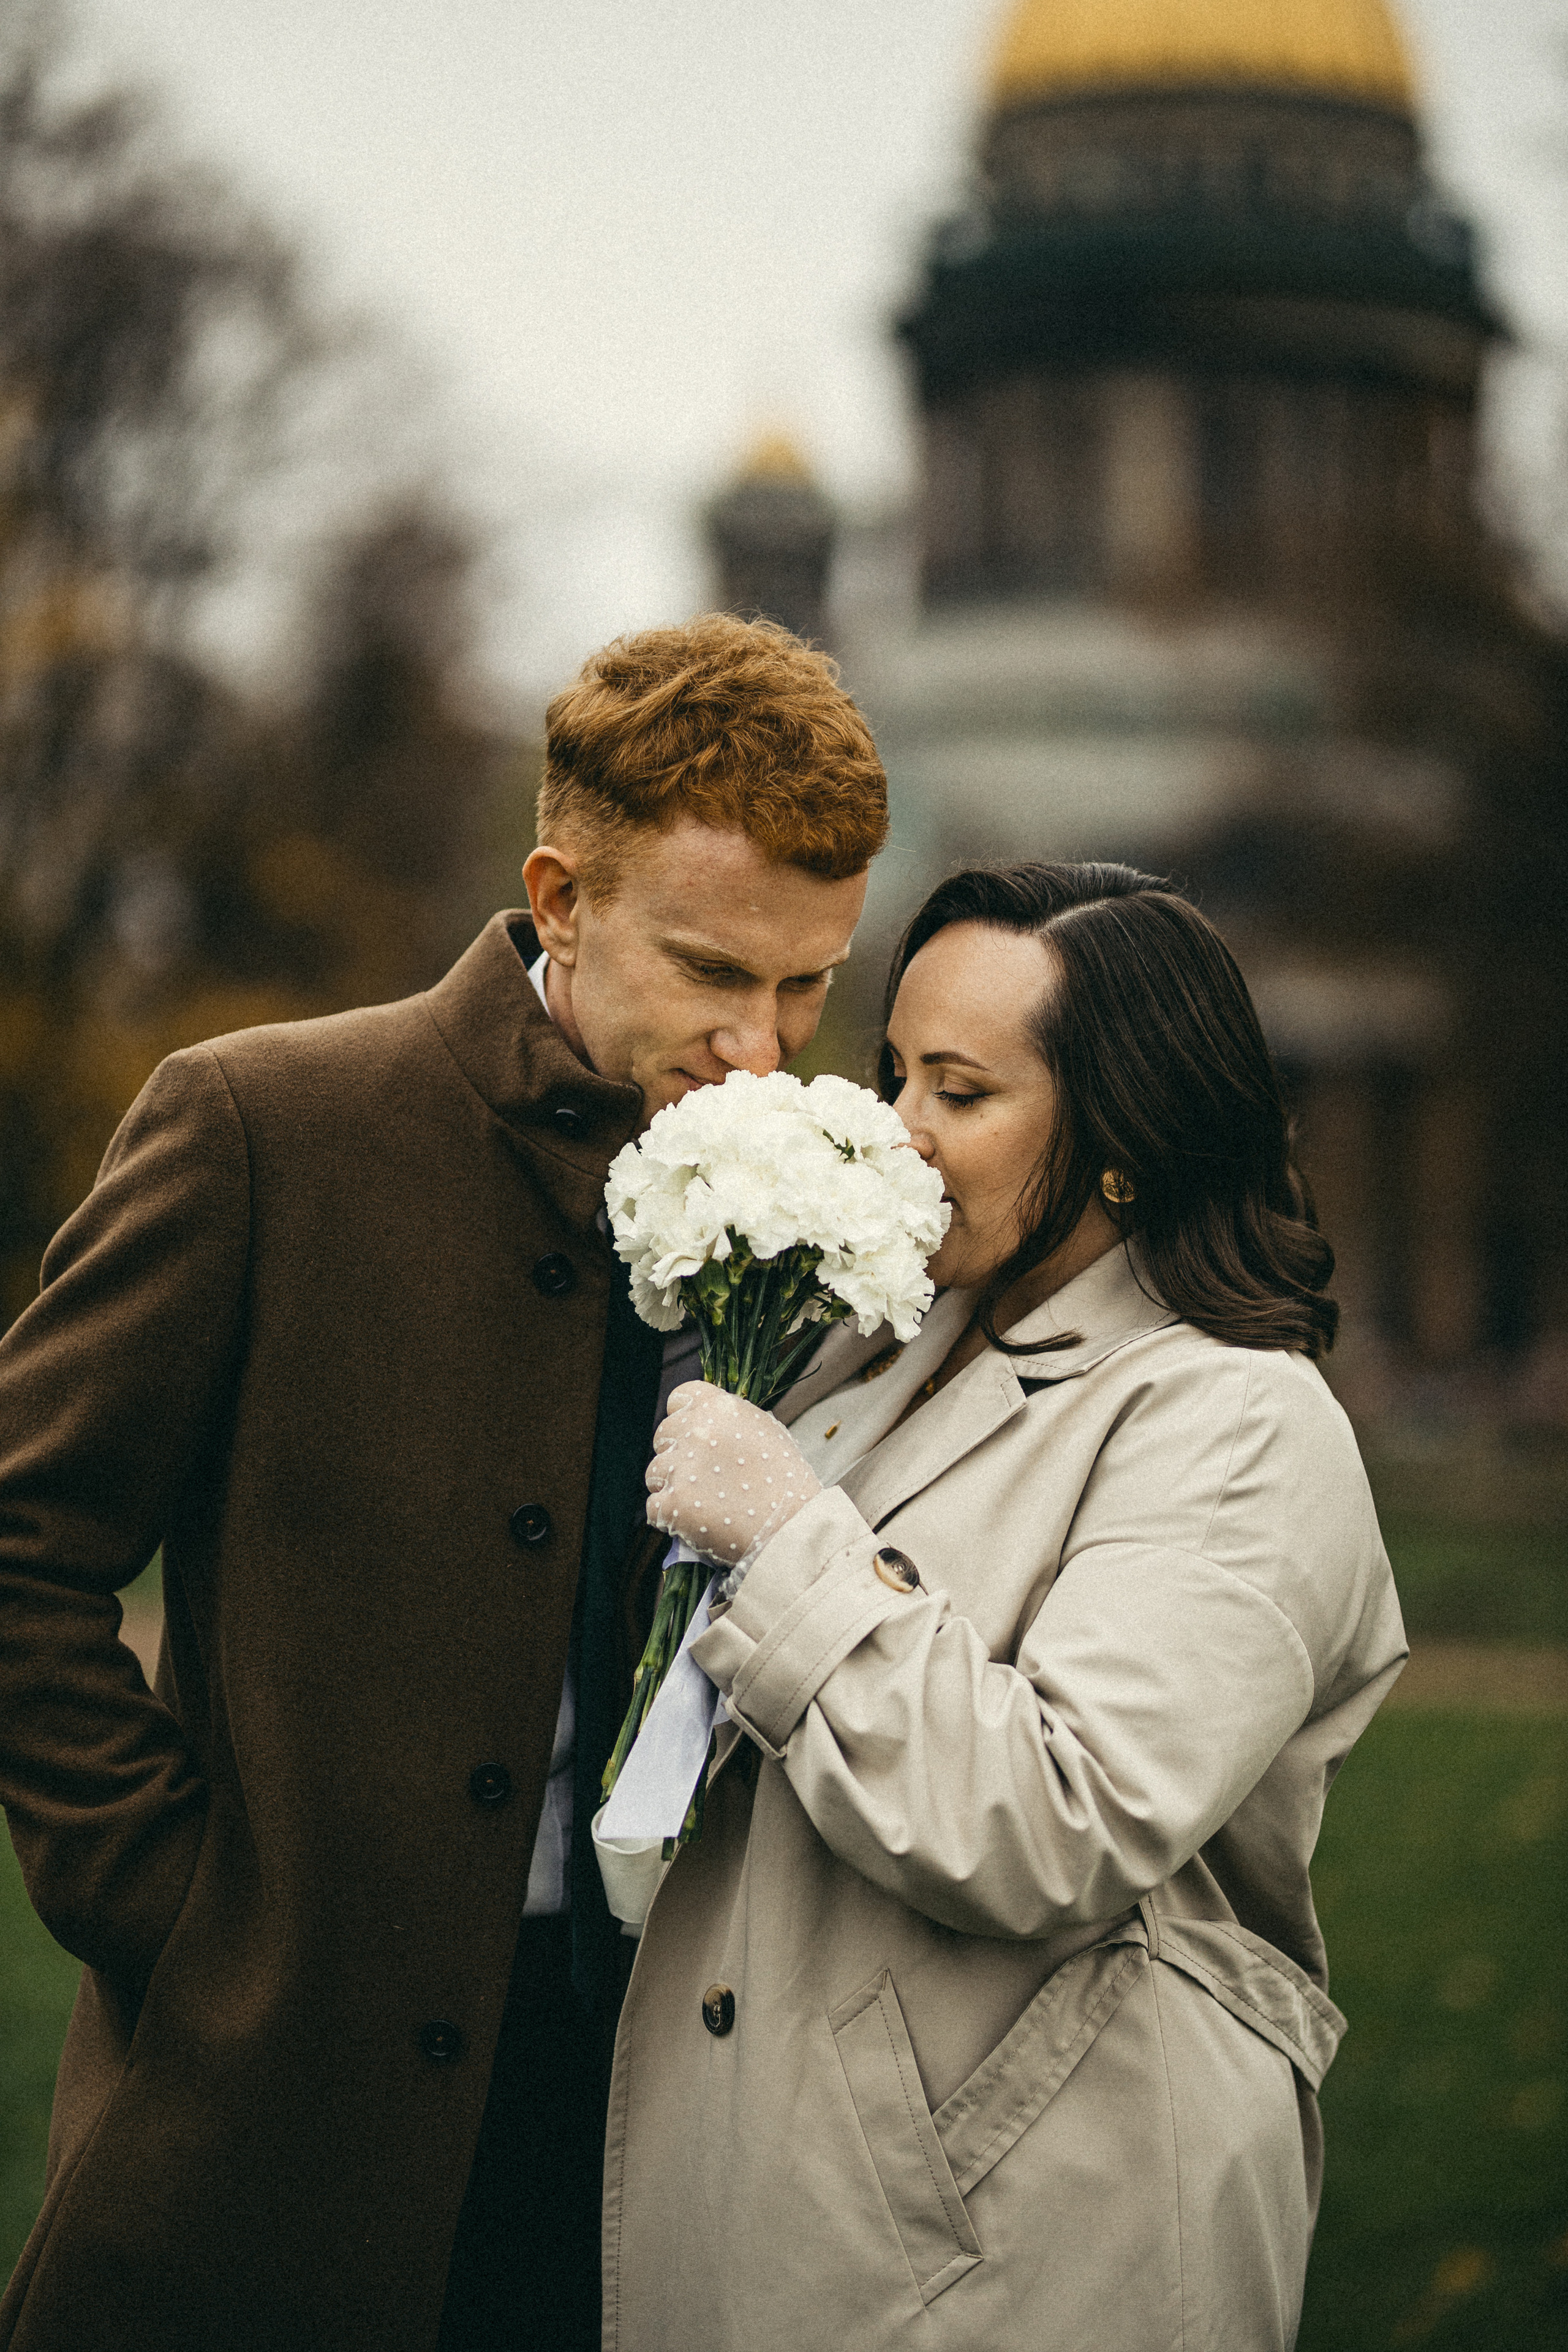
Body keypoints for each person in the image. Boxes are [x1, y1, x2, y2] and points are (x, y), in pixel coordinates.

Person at [0, 612, 886, 2352]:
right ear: (560, 900)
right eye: (714, 973)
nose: (765, 1049)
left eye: (810, 985)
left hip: (661, 2121)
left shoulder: (819, 1194)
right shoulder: (260, 1125)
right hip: (273, 2109)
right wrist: (183, 1916)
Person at [619, 861, 1406, 2352]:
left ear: (1122, 1141)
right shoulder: (874, 1350)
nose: (894, 1130)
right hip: (788, 2199)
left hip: (1030, 2239)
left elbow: (1055, 1819)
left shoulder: (1236, 1422)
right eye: (893, 1071)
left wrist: (788, 1539)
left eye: (960, 1092)